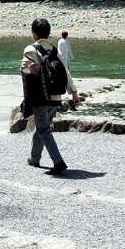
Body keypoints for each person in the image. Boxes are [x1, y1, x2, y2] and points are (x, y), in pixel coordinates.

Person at [22, 17, 80, 176]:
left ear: (34, 34)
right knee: (42, 128)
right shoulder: (54, 50)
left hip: (40, 97)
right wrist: (73, 92)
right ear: (48, 33)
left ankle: (59, 162)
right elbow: (65, 72)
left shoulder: (30, 49)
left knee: (43, 129)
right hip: (56, 97)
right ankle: (34, 159)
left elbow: (25, 72)